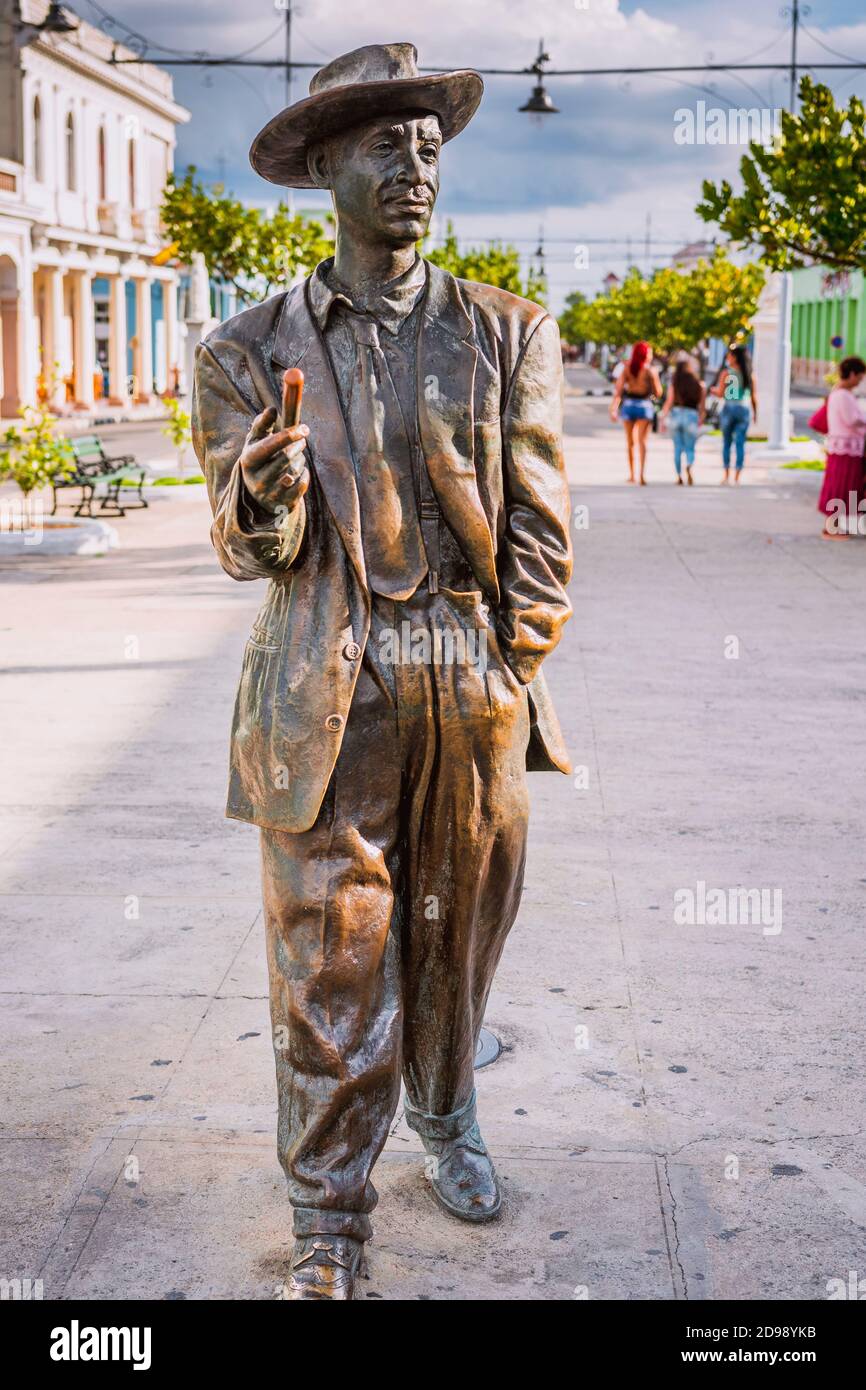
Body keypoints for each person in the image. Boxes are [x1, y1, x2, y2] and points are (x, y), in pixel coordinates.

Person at [192, 43, 573, 1300]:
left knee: (456, 935)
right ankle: (328, 1217)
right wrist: (262, 498)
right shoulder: (244, 349)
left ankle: (448, 1107)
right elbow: (248, 548)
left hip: (464, 688)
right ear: (320, 169)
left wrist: (508, 659)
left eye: (427, 147)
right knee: (330, 962)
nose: (414, 169)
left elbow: (538, 525)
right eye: (382, 146)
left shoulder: (508, 331)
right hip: (323, 693)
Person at [817, 355, 866, 540]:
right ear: (852, 374)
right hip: (846, 448)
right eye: (860, 377)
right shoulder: (843, 395)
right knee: (840, 487)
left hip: (844, 447)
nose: (860, 381)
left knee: (843, 487)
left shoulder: (837, 392)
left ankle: (834, 527)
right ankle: (832, 528)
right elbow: (852, 419)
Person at [610, 340, 662, 484]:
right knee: (642, 442)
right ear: (646, 354)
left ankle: (632, 475)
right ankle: (642, 475)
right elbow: (658, 392)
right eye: (650, 352)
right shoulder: (650, 370)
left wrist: (614, 408)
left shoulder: (627, 368)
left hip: (629, 405)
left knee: (630, 442)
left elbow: (618, 391)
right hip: (644, 405)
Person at [712, 344, 757, 482]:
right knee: (740, 443)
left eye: (729, 355)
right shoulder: (749, 374)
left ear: (735, 357)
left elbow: (720, 394)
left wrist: (713, 390)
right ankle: (737, 475)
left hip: (729, 408)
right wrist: (756, 413)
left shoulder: (726, 373)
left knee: (726, 442)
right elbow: (754, 397)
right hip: (743, 409)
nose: (727, 358)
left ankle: (726, 474)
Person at [659, 356, 706, 484]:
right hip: (691, 415)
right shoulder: (699, 384)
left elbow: (668, 402)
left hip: (676, 414)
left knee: (677, 448)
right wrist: (701, 418)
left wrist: (663, 419)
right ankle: (689, 464)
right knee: (690, 447)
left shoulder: (675, 383)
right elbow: (702, 406)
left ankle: (679, 476)